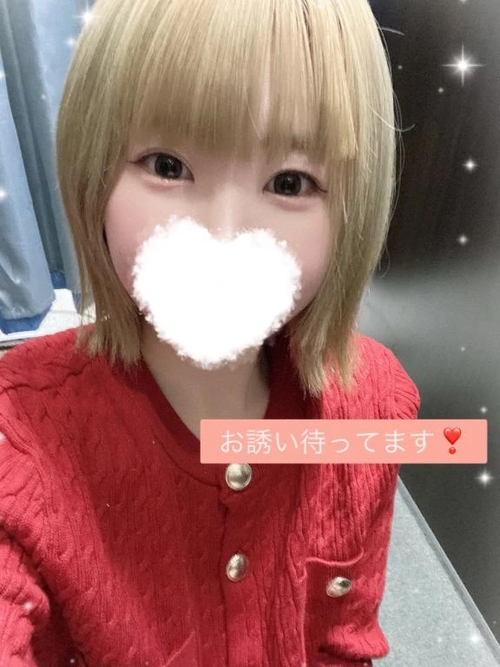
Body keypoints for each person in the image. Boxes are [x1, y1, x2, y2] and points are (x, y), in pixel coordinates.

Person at [0, 0, 420, 665]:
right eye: (167, 166)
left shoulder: (373, 403)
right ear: (94, 171)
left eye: (289, 182)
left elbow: (344, 639)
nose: (223, 239)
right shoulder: (20, 434)